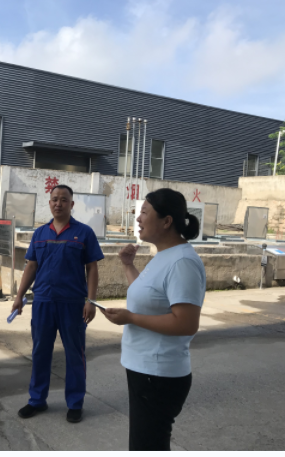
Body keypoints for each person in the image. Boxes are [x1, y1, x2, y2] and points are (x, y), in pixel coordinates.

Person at [100, 188, 206, 451]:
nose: (138, 218)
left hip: (158, 375)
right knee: (145, 444)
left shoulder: (182, 262)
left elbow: (186, 323)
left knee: (147, 446)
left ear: (166, 221)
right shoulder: (165, 255)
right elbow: (149, 296)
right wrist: (128, 265)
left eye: (144, 213)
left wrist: (131, 318)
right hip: (145, 369)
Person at [11, 184, 104, 423]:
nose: (58, 203)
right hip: (43, 301)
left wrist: (91, 300)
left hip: (72, 303)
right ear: (49, 202)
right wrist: (19, 295)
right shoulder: (40, 233)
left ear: (71, 204)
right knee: (40, 351)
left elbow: (92, 268)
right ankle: (37, 400)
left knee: (75, 354)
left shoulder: (84, 233)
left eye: (63, 200)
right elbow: (31, 266)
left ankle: (75, 403)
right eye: (54, 199)